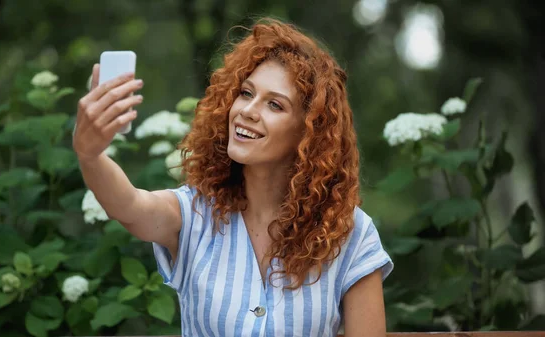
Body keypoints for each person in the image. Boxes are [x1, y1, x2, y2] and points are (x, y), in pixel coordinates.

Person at [73, 17, 393, 337]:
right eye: (245, 93)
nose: (248, 111)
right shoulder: (195, 214)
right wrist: (90, 155)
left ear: (308, 132)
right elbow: (128, 204)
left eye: (274, 104)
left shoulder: (351, 235)